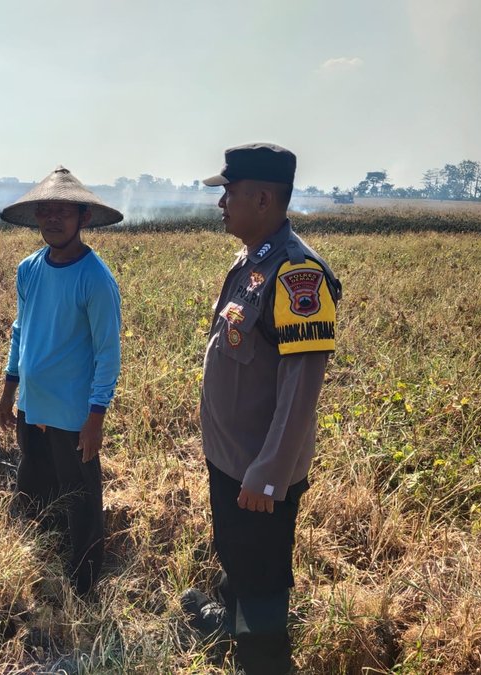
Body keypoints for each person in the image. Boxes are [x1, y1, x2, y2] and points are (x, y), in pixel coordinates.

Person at [181, 144, 341, 674]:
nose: (221, 203)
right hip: (231, 456)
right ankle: (230, 621)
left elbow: (302, 389)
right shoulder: (252, 263)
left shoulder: (299, 276)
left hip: (258, 468)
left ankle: (264, 659)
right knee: (236, 551)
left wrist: (269, 473)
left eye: (229, 193)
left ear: (264, 198)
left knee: (265, 573)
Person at [0, 166, 123, 596]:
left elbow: (107, 353)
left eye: (62, 212)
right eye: (45, 211)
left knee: (81, 496)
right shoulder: (28, 269)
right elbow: (20, 331)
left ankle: (84, 582)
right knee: (36, 481)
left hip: (72, 414)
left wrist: (95, 418)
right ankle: (41, 557)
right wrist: (9, 392)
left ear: (83, 218)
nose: (52, 219)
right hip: (32, 404)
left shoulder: (96, 279)